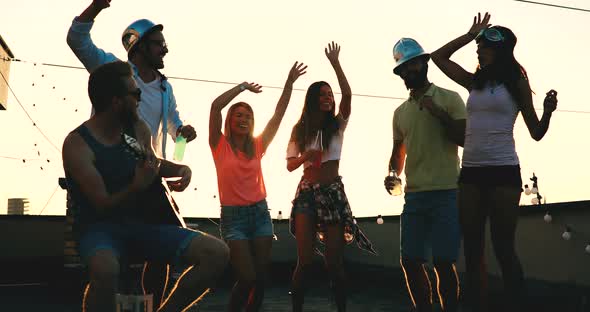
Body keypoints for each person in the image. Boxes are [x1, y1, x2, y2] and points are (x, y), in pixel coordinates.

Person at [62, 61, 229, 312]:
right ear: (116, 101)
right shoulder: (78, 145)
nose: (140, 97)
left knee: (217, 253)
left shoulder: (136, 129)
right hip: (99, 230)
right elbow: (102, 204)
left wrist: (180, 169)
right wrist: (136, 187)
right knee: (105, 270)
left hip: (142, 225)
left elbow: (152, 163)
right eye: (135, 93)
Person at [67, 0, 197, 305]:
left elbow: (174, 133)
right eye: (159, 44)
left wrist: (182, 138)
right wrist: (96, 7)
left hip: (149, 172)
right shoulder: (113, 71)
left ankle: (154, 305)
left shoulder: (166, 89)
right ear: (138, 46)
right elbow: (77, 39)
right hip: (111, 171)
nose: (165, 50)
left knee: (161, 256)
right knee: (110, 259)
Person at [430, 12, 558, 311]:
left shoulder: (516, 82)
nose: (478, 50)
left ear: (500, 50)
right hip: (471, 172)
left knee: (503, 248)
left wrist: (548, 111)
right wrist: (469, 34)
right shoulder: (474, 82)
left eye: (483, 46)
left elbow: (536, 132)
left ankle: (517, 304)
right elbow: (438, 57)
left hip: (503, 171)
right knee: (472, 250)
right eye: (478, 46)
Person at [209, 62, 307, 311]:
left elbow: (278, 115)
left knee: (261, 279)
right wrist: (242, 87)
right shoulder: (219, 145)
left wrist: (289, 82)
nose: (243, 119)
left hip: (260, 214)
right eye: (238, 115)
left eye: (248, 116)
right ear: (230, 121)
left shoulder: (258, 145)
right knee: (247, 277)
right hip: (234, 219)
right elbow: (216, 106)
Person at [287, 42, 376, 312]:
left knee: (334, 264)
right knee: (304, 260)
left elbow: (347, 95)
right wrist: (306, 155)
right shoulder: (299, 129)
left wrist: (336, 63)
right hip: (306, 194)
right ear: (313, 99)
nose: (328, 98)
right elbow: (290, 165)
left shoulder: (337, 126)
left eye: (329, 94)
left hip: (333, 192)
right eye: (323, 94)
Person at [384, 38, 466, 312]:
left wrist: (439, 114)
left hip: (447, 192)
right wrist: (392, 173)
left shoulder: (451, 98)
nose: (408, 72)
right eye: (403, 69)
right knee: (409, 261)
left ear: (424, 63)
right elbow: (398, 153)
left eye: (413, 65)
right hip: (414, 196)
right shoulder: (399, 113)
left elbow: (466, 139)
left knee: (443, 262)